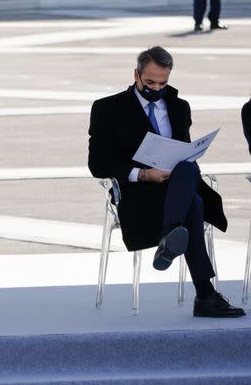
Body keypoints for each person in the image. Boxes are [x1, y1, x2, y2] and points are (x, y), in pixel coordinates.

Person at [88, 46, 244, 317]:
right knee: (193, 204)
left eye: (163, 83)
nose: (156, 88)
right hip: (138, 192)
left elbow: (183, 150)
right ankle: (205, 294)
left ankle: (170, 236)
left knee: (186, 167)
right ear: (136, 75)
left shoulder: (179, 107)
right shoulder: (107, 109)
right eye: (150, 82)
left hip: (175, 184)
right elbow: (98, 164)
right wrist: (144, 174)